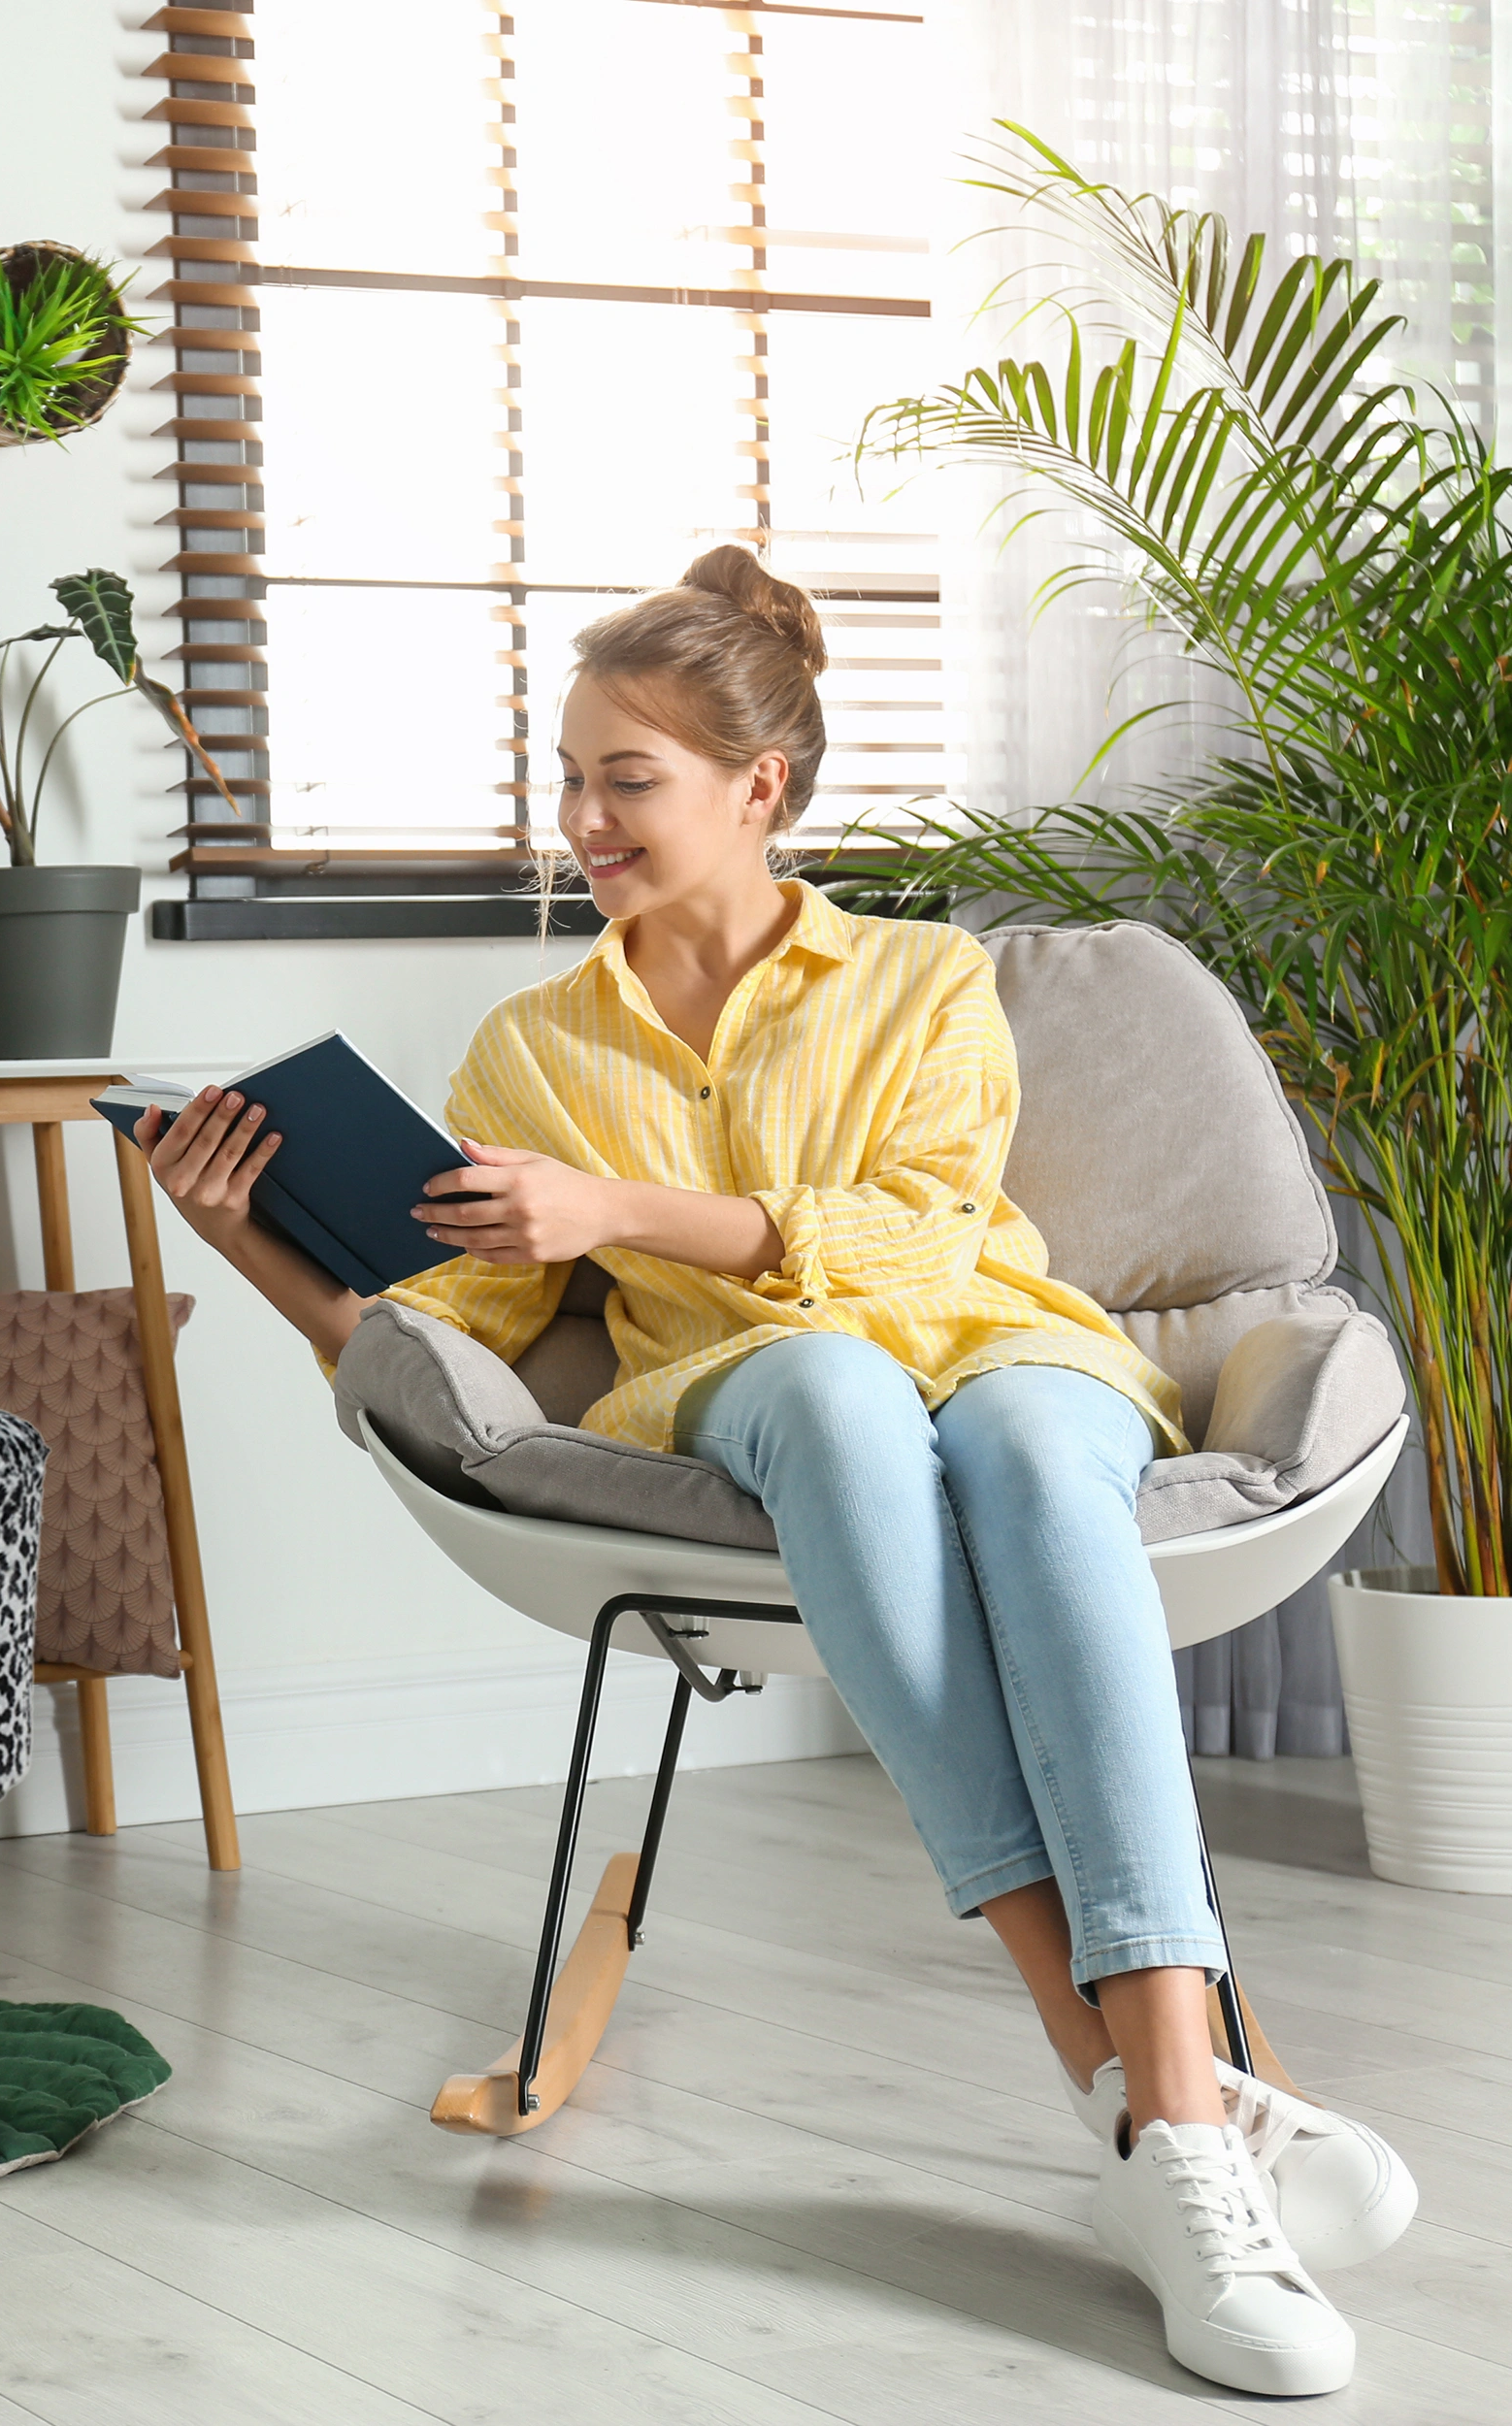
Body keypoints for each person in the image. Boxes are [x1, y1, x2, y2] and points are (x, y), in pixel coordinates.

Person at [130, 546, 1412, 2398]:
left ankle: (1162, 2128)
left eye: (623, 780)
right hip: (753, 1385)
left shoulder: (924, 977)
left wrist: (625, 1207)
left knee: (1045, 1473)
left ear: (761, 789)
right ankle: (1189, 2118)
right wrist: (244, 1235)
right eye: (566, 776)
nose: (581, 819)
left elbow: (923, 1241)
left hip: (1005, 1347)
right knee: (823, 1393)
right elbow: (456, 1331)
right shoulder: (536, 1044)